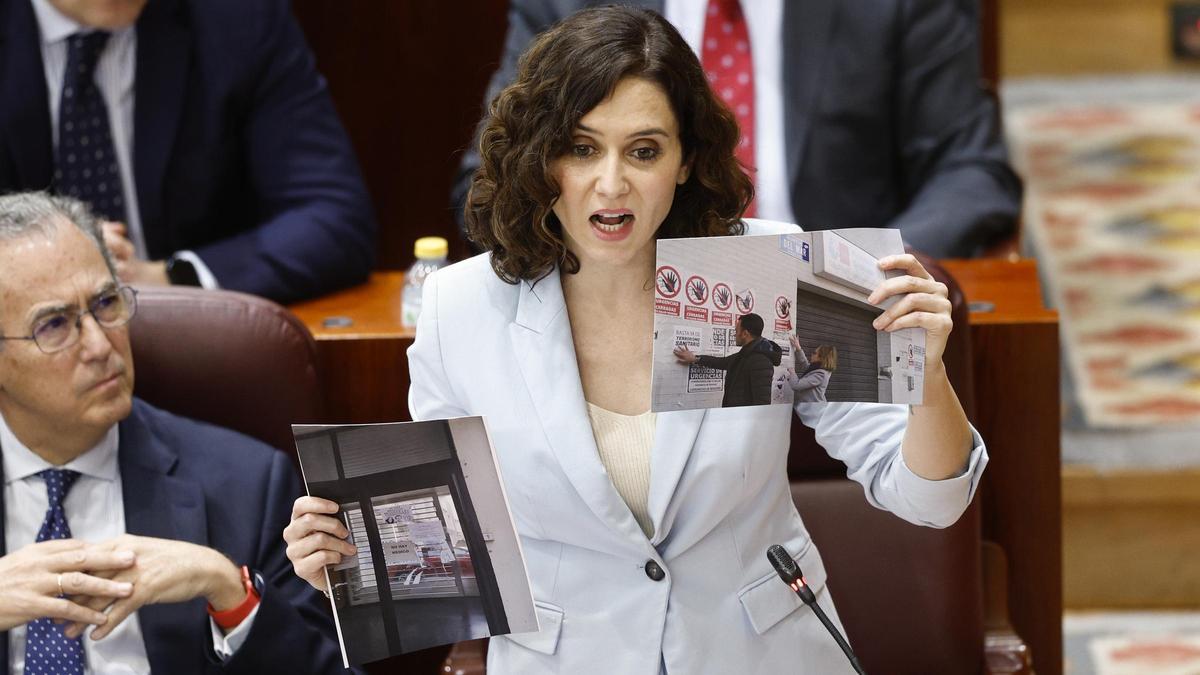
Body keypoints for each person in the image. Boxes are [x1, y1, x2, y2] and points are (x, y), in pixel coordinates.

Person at [287, 7, 986, 673]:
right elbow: (446, 554)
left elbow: (931, 500)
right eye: (580, 148)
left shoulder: (769, 274)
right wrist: (343, 561)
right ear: (539, 155)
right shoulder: (460, 307)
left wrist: (926, 378)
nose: (610, 184)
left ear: (685, 160)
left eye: (644, 150)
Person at [0, 192, 353, 674]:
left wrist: (228, 589)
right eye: (55, 325)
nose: (101, 345)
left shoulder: (247, 485)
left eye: (107, 303)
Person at [452, 0, 1021, 259]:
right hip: (613, 301)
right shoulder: (570, 4)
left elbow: (969, 170)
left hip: (832, 305)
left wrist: (871, 270)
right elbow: (496, 172)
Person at [0, 0, 377, 304]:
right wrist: (47, 257)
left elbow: (334, 218)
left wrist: (169, 278)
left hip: (193, 350)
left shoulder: (236, 16)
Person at [673, 312, 782, 407]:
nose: (735, 334)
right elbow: (722, 362)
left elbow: (762, 404)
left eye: (736, 331)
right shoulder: (747, 353)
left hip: (743, 423)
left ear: (745, 334)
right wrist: (695, 358)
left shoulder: (761, 361)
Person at [786, 334, 836, 403]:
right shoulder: (817, 368)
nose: (811, 354)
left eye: (814, 353)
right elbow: (805, 365)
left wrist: (792, 373)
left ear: (821, 357)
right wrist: (798, 348)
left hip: (813, 410)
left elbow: (796, 385)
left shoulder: (821, 375)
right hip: (809, 408)